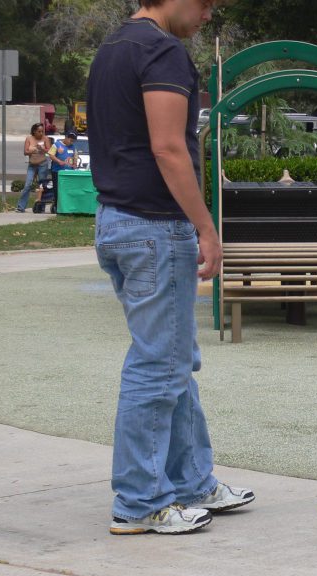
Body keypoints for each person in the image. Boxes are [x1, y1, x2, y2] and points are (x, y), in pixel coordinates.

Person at [88, 0, 254, 535]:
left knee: (174, 359)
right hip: (155, 226)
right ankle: (139, 503)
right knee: (158, 365)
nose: (208, 14)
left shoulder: (112, 48)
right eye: (206, 3)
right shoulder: (162, 52)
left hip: (118, 219)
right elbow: (168, 148)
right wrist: (206, 227)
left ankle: (192, 481)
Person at [16, 123, 52, 212]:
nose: (41, 133)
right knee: (28, 185)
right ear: (34, 131)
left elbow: (50, 151)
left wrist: (42, 149)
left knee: (42, 186)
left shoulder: (45, 138)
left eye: (42, 131)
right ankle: (21, 207)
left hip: (42, 164)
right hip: (32, 164)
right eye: (39, 131)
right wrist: (33, 150)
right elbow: (25, 152)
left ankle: (41, 207)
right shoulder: (29, 138)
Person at [48, 130, 78, 210]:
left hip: (69, 172)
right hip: (57, 171)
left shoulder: (73, 147)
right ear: (66, 137)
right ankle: (57, 206)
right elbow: (51, 155)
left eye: (73, 141)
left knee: (68, 190)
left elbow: (75, 156)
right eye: (70, 140)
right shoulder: (57, 145)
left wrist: (75, 164)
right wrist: (58, 161)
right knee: (58, 189)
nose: (71, 142)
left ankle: (67, 206)